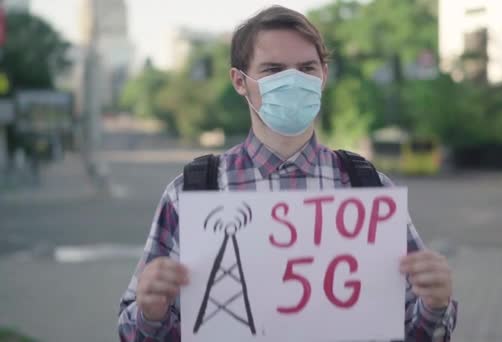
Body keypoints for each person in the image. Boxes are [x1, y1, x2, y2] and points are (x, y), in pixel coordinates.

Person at [118, 5, 457, 341]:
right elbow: (131, 329)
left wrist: (434, 303)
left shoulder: (369, 189)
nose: (293, 80)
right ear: (240, 81)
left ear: (323, 75)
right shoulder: (190, 194)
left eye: (307, 67)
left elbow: (412, 330)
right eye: (274, 70)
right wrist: (151, 311)